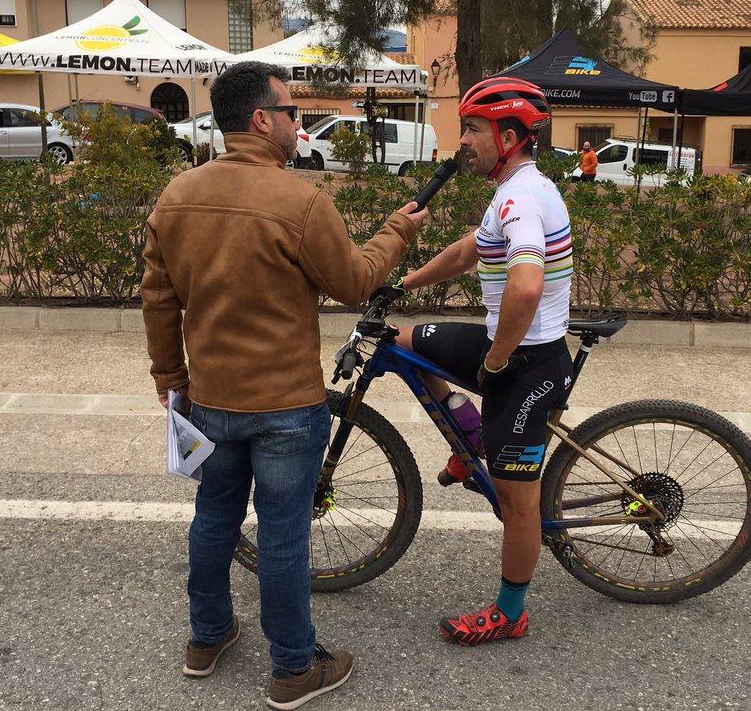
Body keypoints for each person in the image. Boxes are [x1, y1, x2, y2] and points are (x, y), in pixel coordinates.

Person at [142, 61, 426, 707]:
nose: (300, 123)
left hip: (209, 400)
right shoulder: (301, 200)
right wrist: (399, 230)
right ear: (262, 120)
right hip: (286, 408)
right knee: (282, 534)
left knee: (213, 516)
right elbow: (355, 281)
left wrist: (171, 378)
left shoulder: (177, 197)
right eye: (293, 111)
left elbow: (158, 300)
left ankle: (206, 637)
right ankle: (294, 669)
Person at [376, 75, 573, 646]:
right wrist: (404, 281)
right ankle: (469, 431)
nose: (462, 140)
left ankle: (510, 613)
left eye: (472, 128)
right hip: (507, 348)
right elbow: (472, 248)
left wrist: (496, 360)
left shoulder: (522, 198)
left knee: (517, 503)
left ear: (509, 135)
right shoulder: (513, 189)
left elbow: (528, 286)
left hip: (528, 365)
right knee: (405, 343)